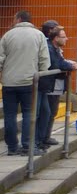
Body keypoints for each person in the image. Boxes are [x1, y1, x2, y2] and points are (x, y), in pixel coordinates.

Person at [0, 10, 50, 156]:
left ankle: (12, 147)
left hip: (9, 82)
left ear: (19, 19)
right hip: (29, 81)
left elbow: (0, 58)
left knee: (10, 115)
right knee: (29, 114)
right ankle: (27, 145)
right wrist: (40, 75)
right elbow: (44, 60)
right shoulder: (38, 35)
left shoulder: (7, 36)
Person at [38, 25, 77, 150]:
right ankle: (42, 138)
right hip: (49, 85)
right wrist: (70, 65)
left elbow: (60, 62)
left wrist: (67, 64)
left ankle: (45, 137)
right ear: (56, 38)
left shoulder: (54, 49)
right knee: (47, 113)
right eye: (63, 37)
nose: (66, 39)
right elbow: (56, 64)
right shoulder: (50, 49)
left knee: (51, 112)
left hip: (54, 85)